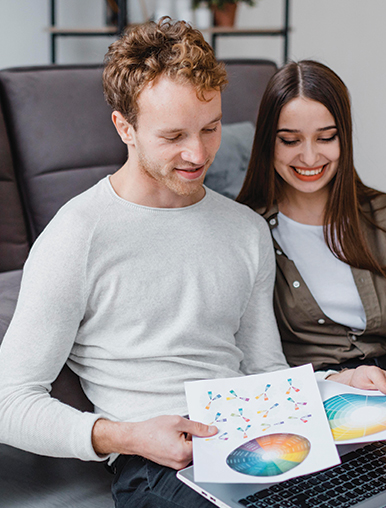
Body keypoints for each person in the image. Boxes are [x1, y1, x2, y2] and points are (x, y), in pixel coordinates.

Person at [0, 19, 293, 508]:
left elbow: (264, 368)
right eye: (174, 135)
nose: (197, 153)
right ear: (125, 127)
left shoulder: (246, 230)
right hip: (156, 467)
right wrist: (127, 437)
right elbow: (8, 401)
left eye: (211, 127)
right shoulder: (79, 233)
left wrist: (335, 386)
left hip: (254, 441)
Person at [236, 59, 386, 463]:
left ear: (344, 138)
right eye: (290, 140)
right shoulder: (245, 232)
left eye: (326, 137)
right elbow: (254, 363)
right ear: (268, 141)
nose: (309, 156)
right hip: (321, 398)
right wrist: (339, 380)